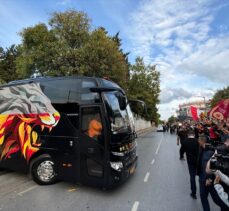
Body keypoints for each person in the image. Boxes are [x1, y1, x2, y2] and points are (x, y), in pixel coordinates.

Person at [183, 129, 199, 199]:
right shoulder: (198, 141)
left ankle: (193, 192)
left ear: (188, 135)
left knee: (192, 177)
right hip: (199, 162)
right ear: (194, 135)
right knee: (202, 176)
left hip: (190, 162)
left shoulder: (185, 141)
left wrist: (181, 155)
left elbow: (182, 150)